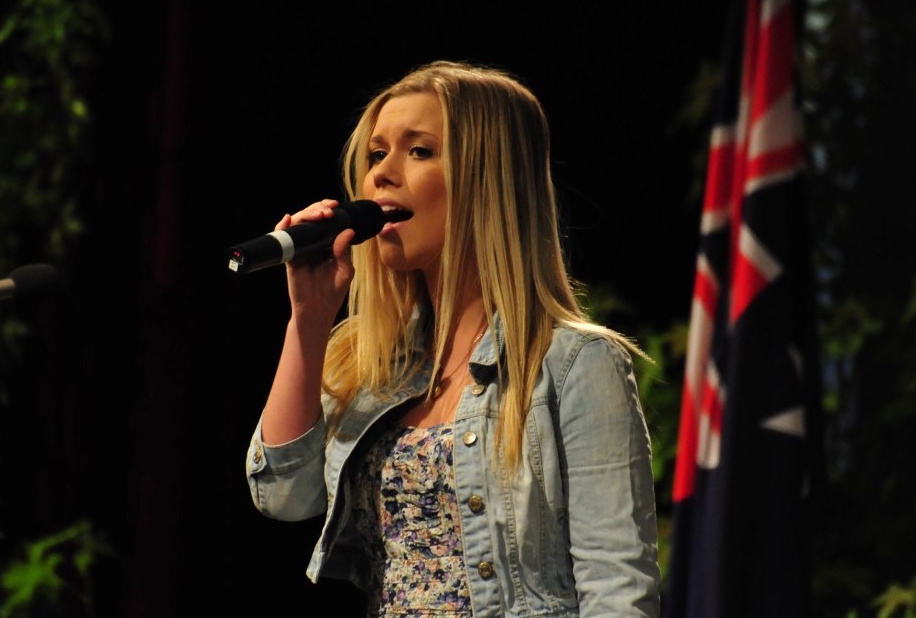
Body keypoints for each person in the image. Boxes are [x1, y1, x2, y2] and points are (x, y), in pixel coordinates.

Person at [246, 60, 660, 617]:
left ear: (486, 180)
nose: (382, 175)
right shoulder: (372, 366)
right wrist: (309, 319)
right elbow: (281, 494)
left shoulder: (575, 364)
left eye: (419, 151)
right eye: (376, 155)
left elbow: (618, 590)